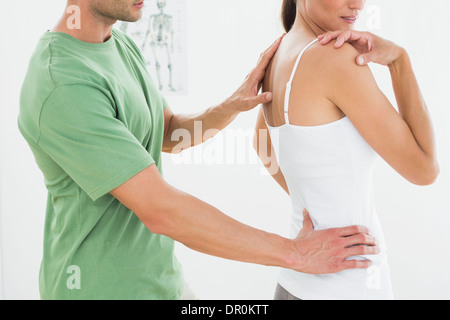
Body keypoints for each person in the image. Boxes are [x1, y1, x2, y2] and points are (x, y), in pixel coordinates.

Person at [18, 0, 380, 300]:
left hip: (163, 284)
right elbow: (159, 208)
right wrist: (296, 253)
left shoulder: (118, 44)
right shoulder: (63, 83)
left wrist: (231, 106)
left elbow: (167, 133)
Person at [254, 0, 439, 300]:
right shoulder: (335, 57)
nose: (358, 5)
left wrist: (315, 204)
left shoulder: (278, 52)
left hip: (292, 284)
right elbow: (424, 169)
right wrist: (399, 61)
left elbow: (262, 146)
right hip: (351, 285)